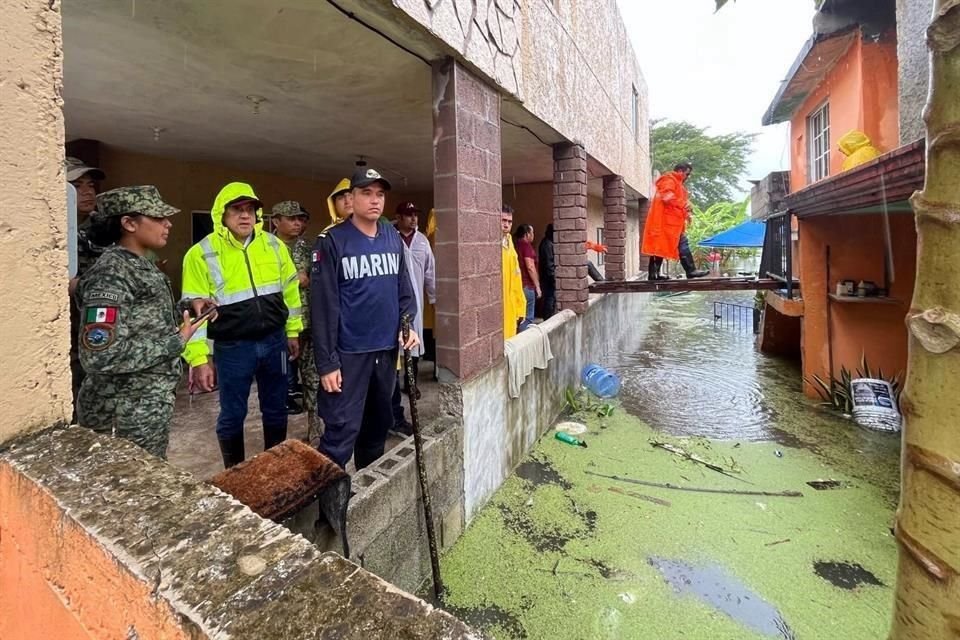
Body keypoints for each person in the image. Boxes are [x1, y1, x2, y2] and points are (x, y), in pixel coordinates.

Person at [76, 186, 211, 459]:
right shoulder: (112, 274)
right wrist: (177, 342)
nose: (168, 223)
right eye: (158, 218)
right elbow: (100, 355)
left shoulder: (141, 264)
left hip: (146, 403)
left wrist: (189, 306)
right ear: (129, 223)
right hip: (124, 410)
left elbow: (144, 319)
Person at [181, 182, 303, 468]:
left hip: (275, 343)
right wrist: (199, 359)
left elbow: (291, 292)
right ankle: (234, 472)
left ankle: (277, 465)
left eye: (250, 209)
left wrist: (293, 331)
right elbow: (193, 313)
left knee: (276, 408)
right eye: (237, 209)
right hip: (233, 348)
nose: (245, 216)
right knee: (232, 414)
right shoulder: (201, 254)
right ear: (221, 214)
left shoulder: (274, 246)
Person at [310, 167, 419, 469]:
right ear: (350, 198)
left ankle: (366, 496)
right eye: (366, 193)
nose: (375, 200)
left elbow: (404, 291)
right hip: (348, 355)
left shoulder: (391, 236)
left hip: (384, 351)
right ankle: (329, 513)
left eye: (380, 194)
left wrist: (407, 326)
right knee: (340, 433)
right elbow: (322, 307)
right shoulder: (332, 241)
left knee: (376, 426)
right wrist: (327, 363)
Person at [66, 157, 107, 422]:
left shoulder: (102, 227)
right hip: (68, 335)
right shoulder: (50, 229)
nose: (88, 191)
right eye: (77, 185)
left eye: (90, 185)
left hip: (100, 331)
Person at [390, 201, 437, 435]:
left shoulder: (422, 241)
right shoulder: (388, 236)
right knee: (393, 352)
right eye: (408, 215)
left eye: (415, 215)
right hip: (391, 304)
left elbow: (430, 270)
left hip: (415, 302)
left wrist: (434, 296)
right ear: (398, 216)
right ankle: (393, 393)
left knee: (414, 347)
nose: (413, 219)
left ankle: (411, 384)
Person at [269, 201, 315, 420]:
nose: (298, 223)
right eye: (291, 219)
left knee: (310, 369)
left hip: (307, 318)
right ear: (276, 221)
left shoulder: (306, 246)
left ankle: (312, 409)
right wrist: (295, 279)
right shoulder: (266, 248)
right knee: (280, 367)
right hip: (279, 320)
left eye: (300, 219)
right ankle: (282, 401)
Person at [642, 162, 694, 280]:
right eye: (687, 174)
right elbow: (667, 197)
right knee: (677, 243)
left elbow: (676, 204)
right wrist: (684, 205)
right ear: (680, 171)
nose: (688, 177)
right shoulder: (670, 180)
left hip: (669, 222)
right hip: (664, 222)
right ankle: (691, 271)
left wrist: (686, 214)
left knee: (659, 247)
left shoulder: (677, 185)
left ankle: (653, 275)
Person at [500, 205, 526, 339]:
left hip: (510, 308)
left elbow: (517, 279)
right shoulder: (492, 245)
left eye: (509, 222)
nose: (506, 225)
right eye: (503, 220)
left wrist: (520, 306)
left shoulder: (509, 244)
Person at [514, 224, 540, 330]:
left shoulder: (515, 245)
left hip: (517, 285)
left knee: (519, 317)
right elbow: (530, 267)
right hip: (527, 285)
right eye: (532, 232)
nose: (533, 235)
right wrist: (537, 286)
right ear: (527, 234)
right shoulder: (526, 246)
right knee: (528, 318)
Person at [538, 223, 556, 319]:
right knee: (549, 300)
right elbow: (549, 265)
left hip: (548, 277)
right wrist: (554, 279)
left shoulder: (548, 243)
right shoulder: (547, 244)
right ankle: (547, 320)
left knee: (551, 300)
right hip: (548, 279)